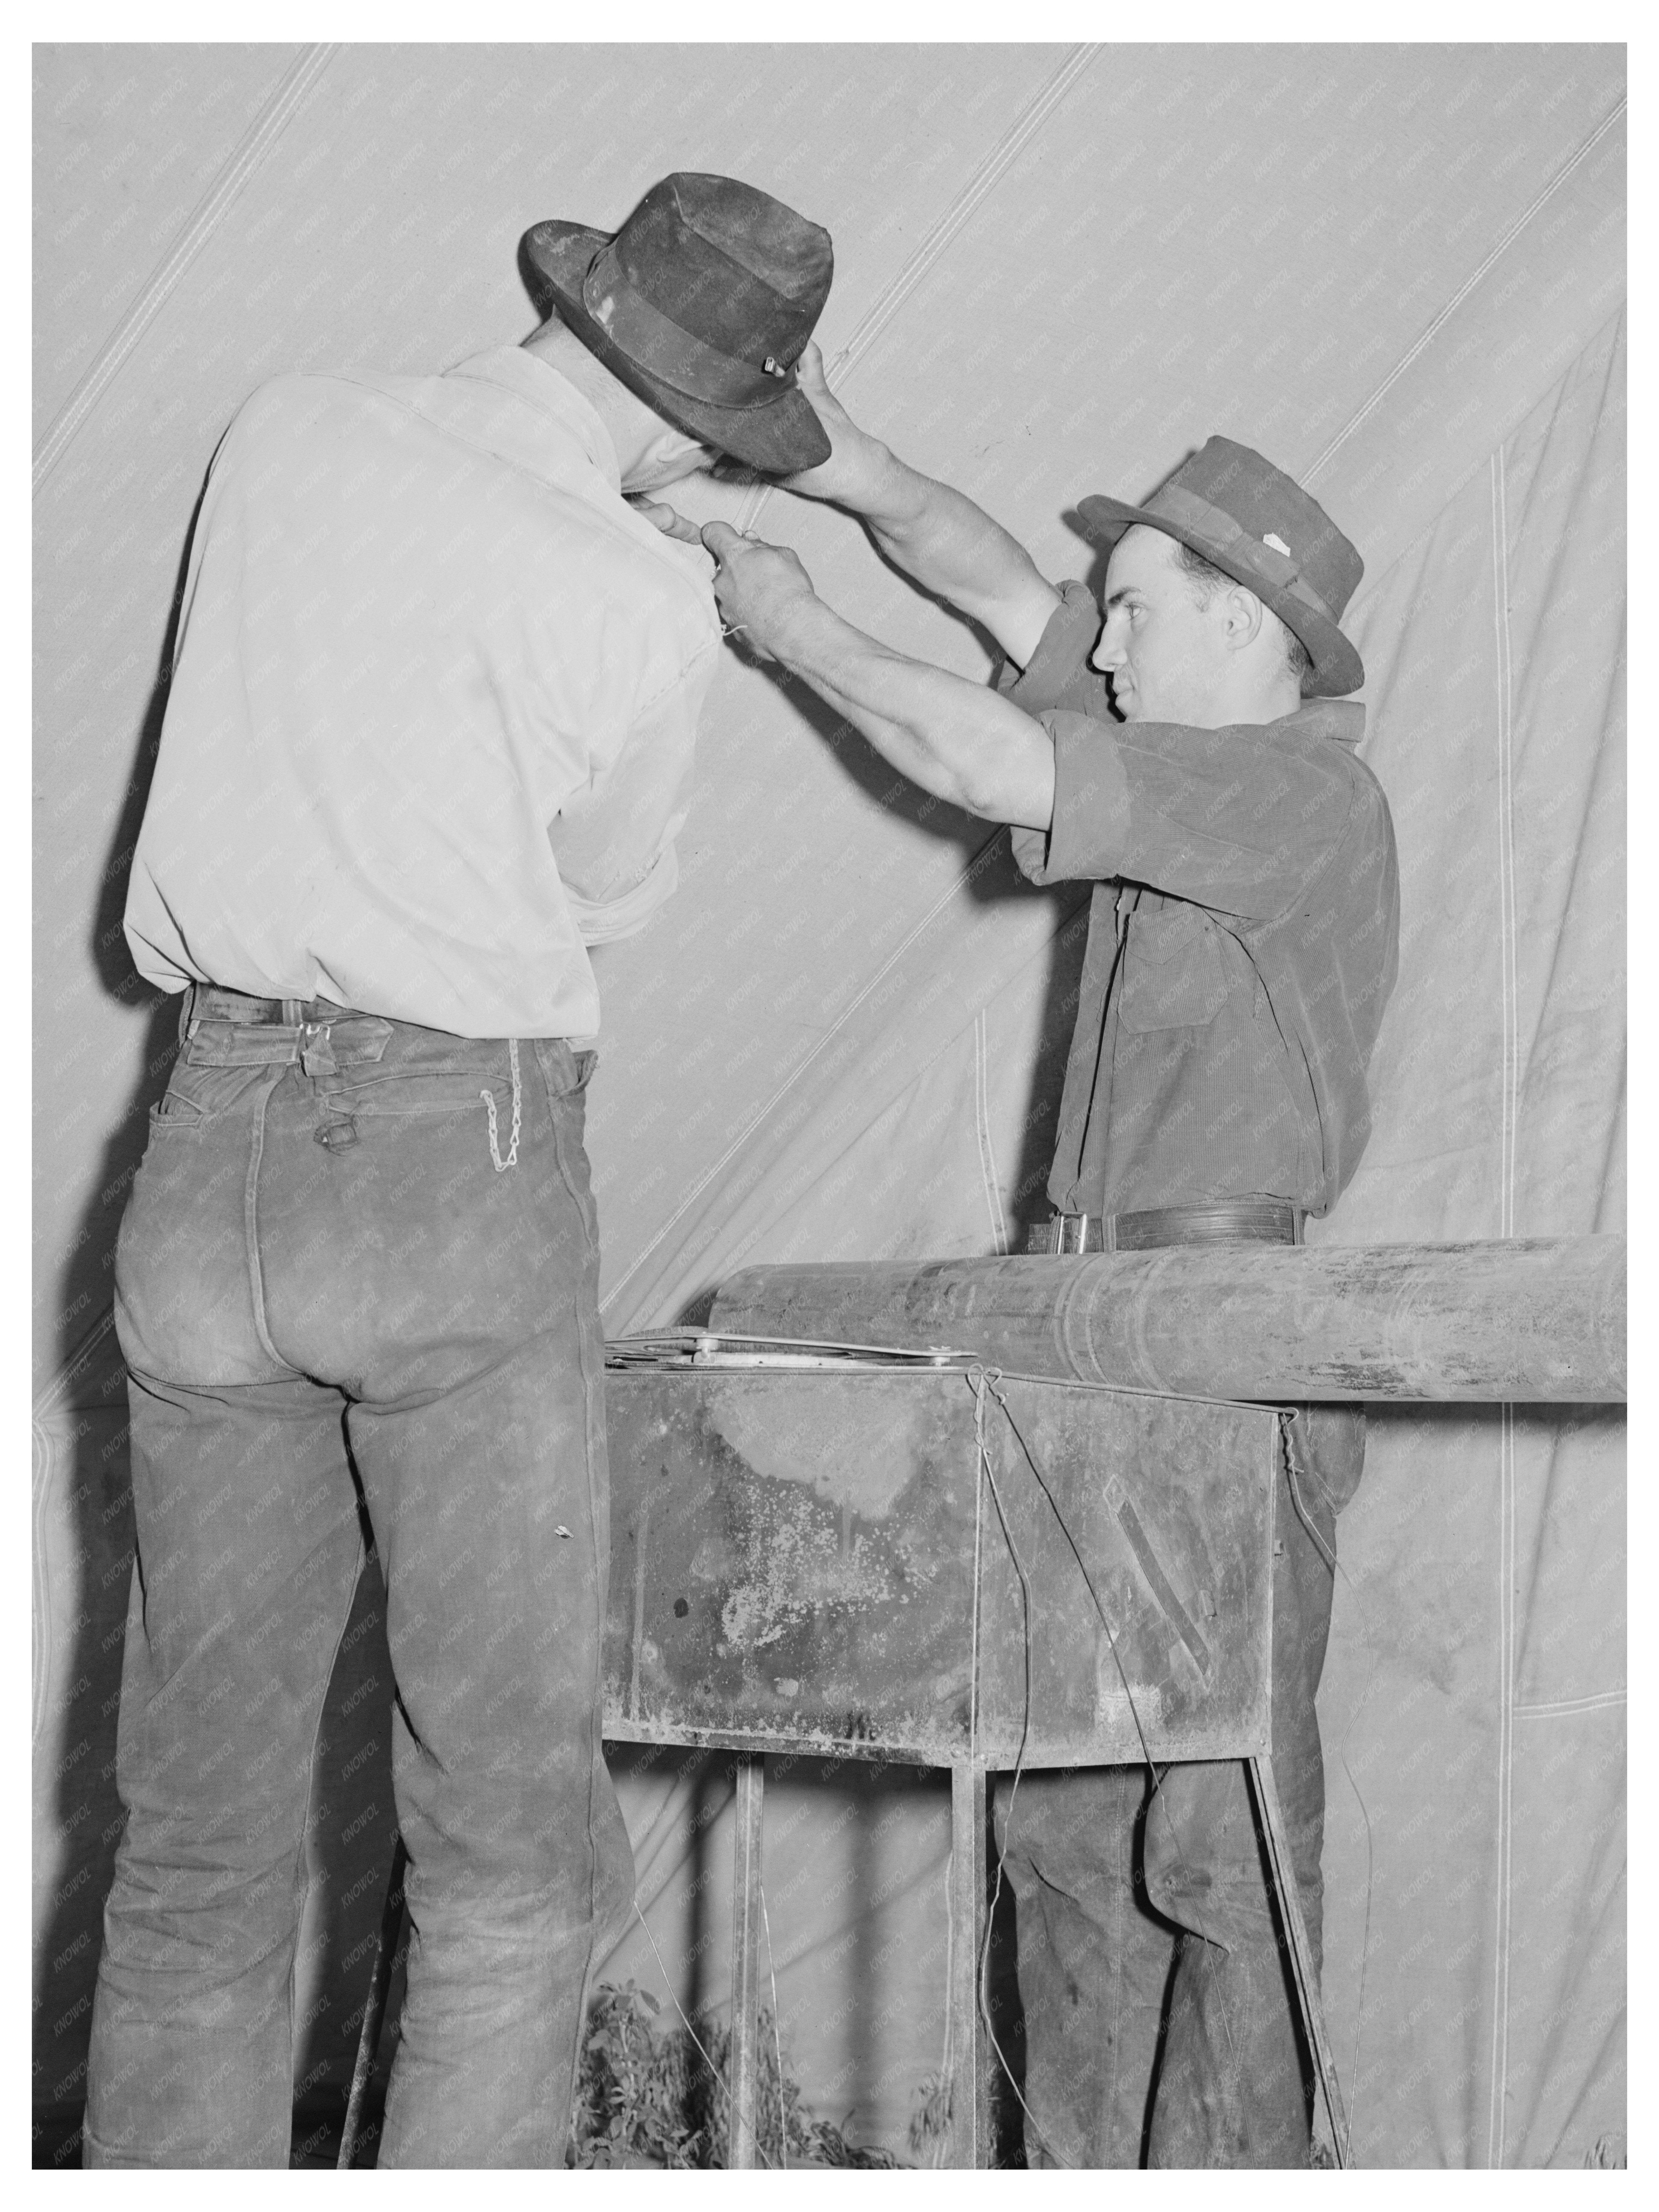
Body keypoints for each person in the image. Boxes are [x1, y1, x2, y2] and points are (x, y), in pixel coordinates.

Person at [85, 172, 833, 2170]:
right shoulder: (637, 596)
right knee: (505, 1860)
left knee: (197, 1839)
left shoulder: (289, 425)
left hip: (205, 1144)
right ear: (694, 424)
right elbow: (609, 897)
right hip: (453, 1157)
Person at [656, 356, 1398, 2167]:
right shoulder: (1182, 733)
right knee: (1066, 1827)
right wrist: (832, 455)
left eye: (1136, 611)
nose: (1100, 644)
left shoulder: (1290, 796)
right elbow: (994, 580)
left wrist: (793, 624)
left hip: (1220, 1348)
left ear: (1238, 622)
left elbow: (984, 740)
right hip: (1086, 1337)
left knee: (1214, 1838)